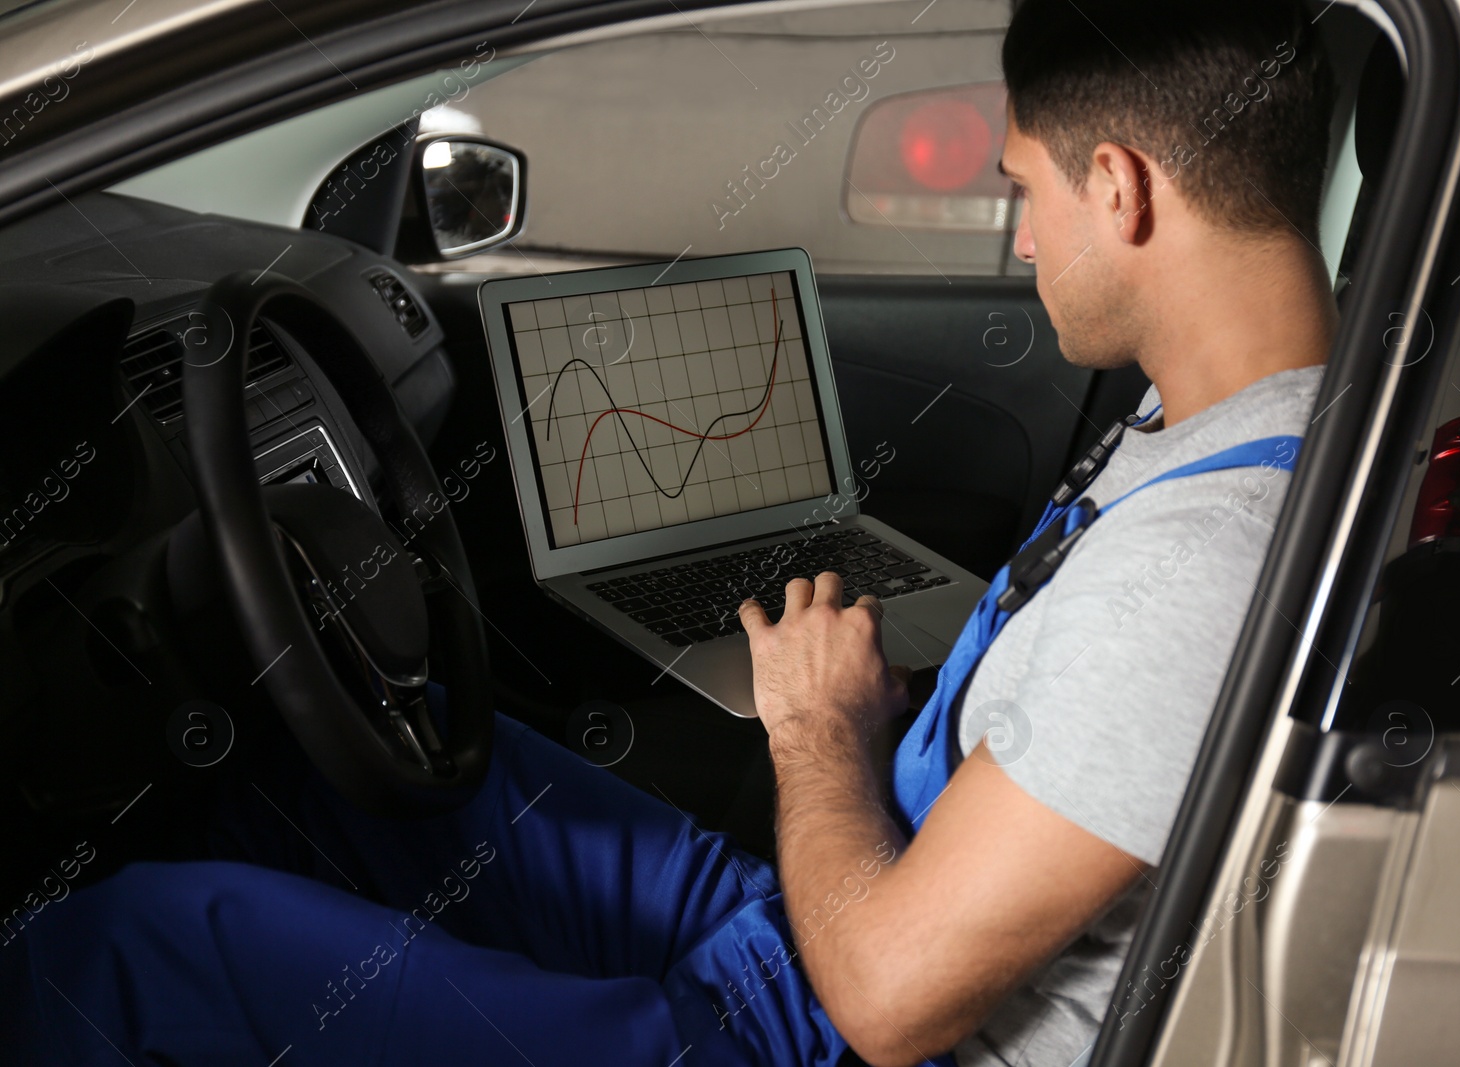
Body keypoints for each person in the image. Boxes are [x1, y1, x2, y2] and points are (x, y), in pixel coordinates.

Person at [0, 1, 1336, 1064]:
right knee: (325, 784)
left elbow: (879, 1001)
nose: (1028, 239)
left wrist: (820, 730)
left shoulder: (1203, 563)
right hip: (815, 921)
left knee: (124, 951)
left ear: (1121, 186)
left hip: (805, 1028)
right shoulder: (1217, 415)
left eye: (1027, 191)